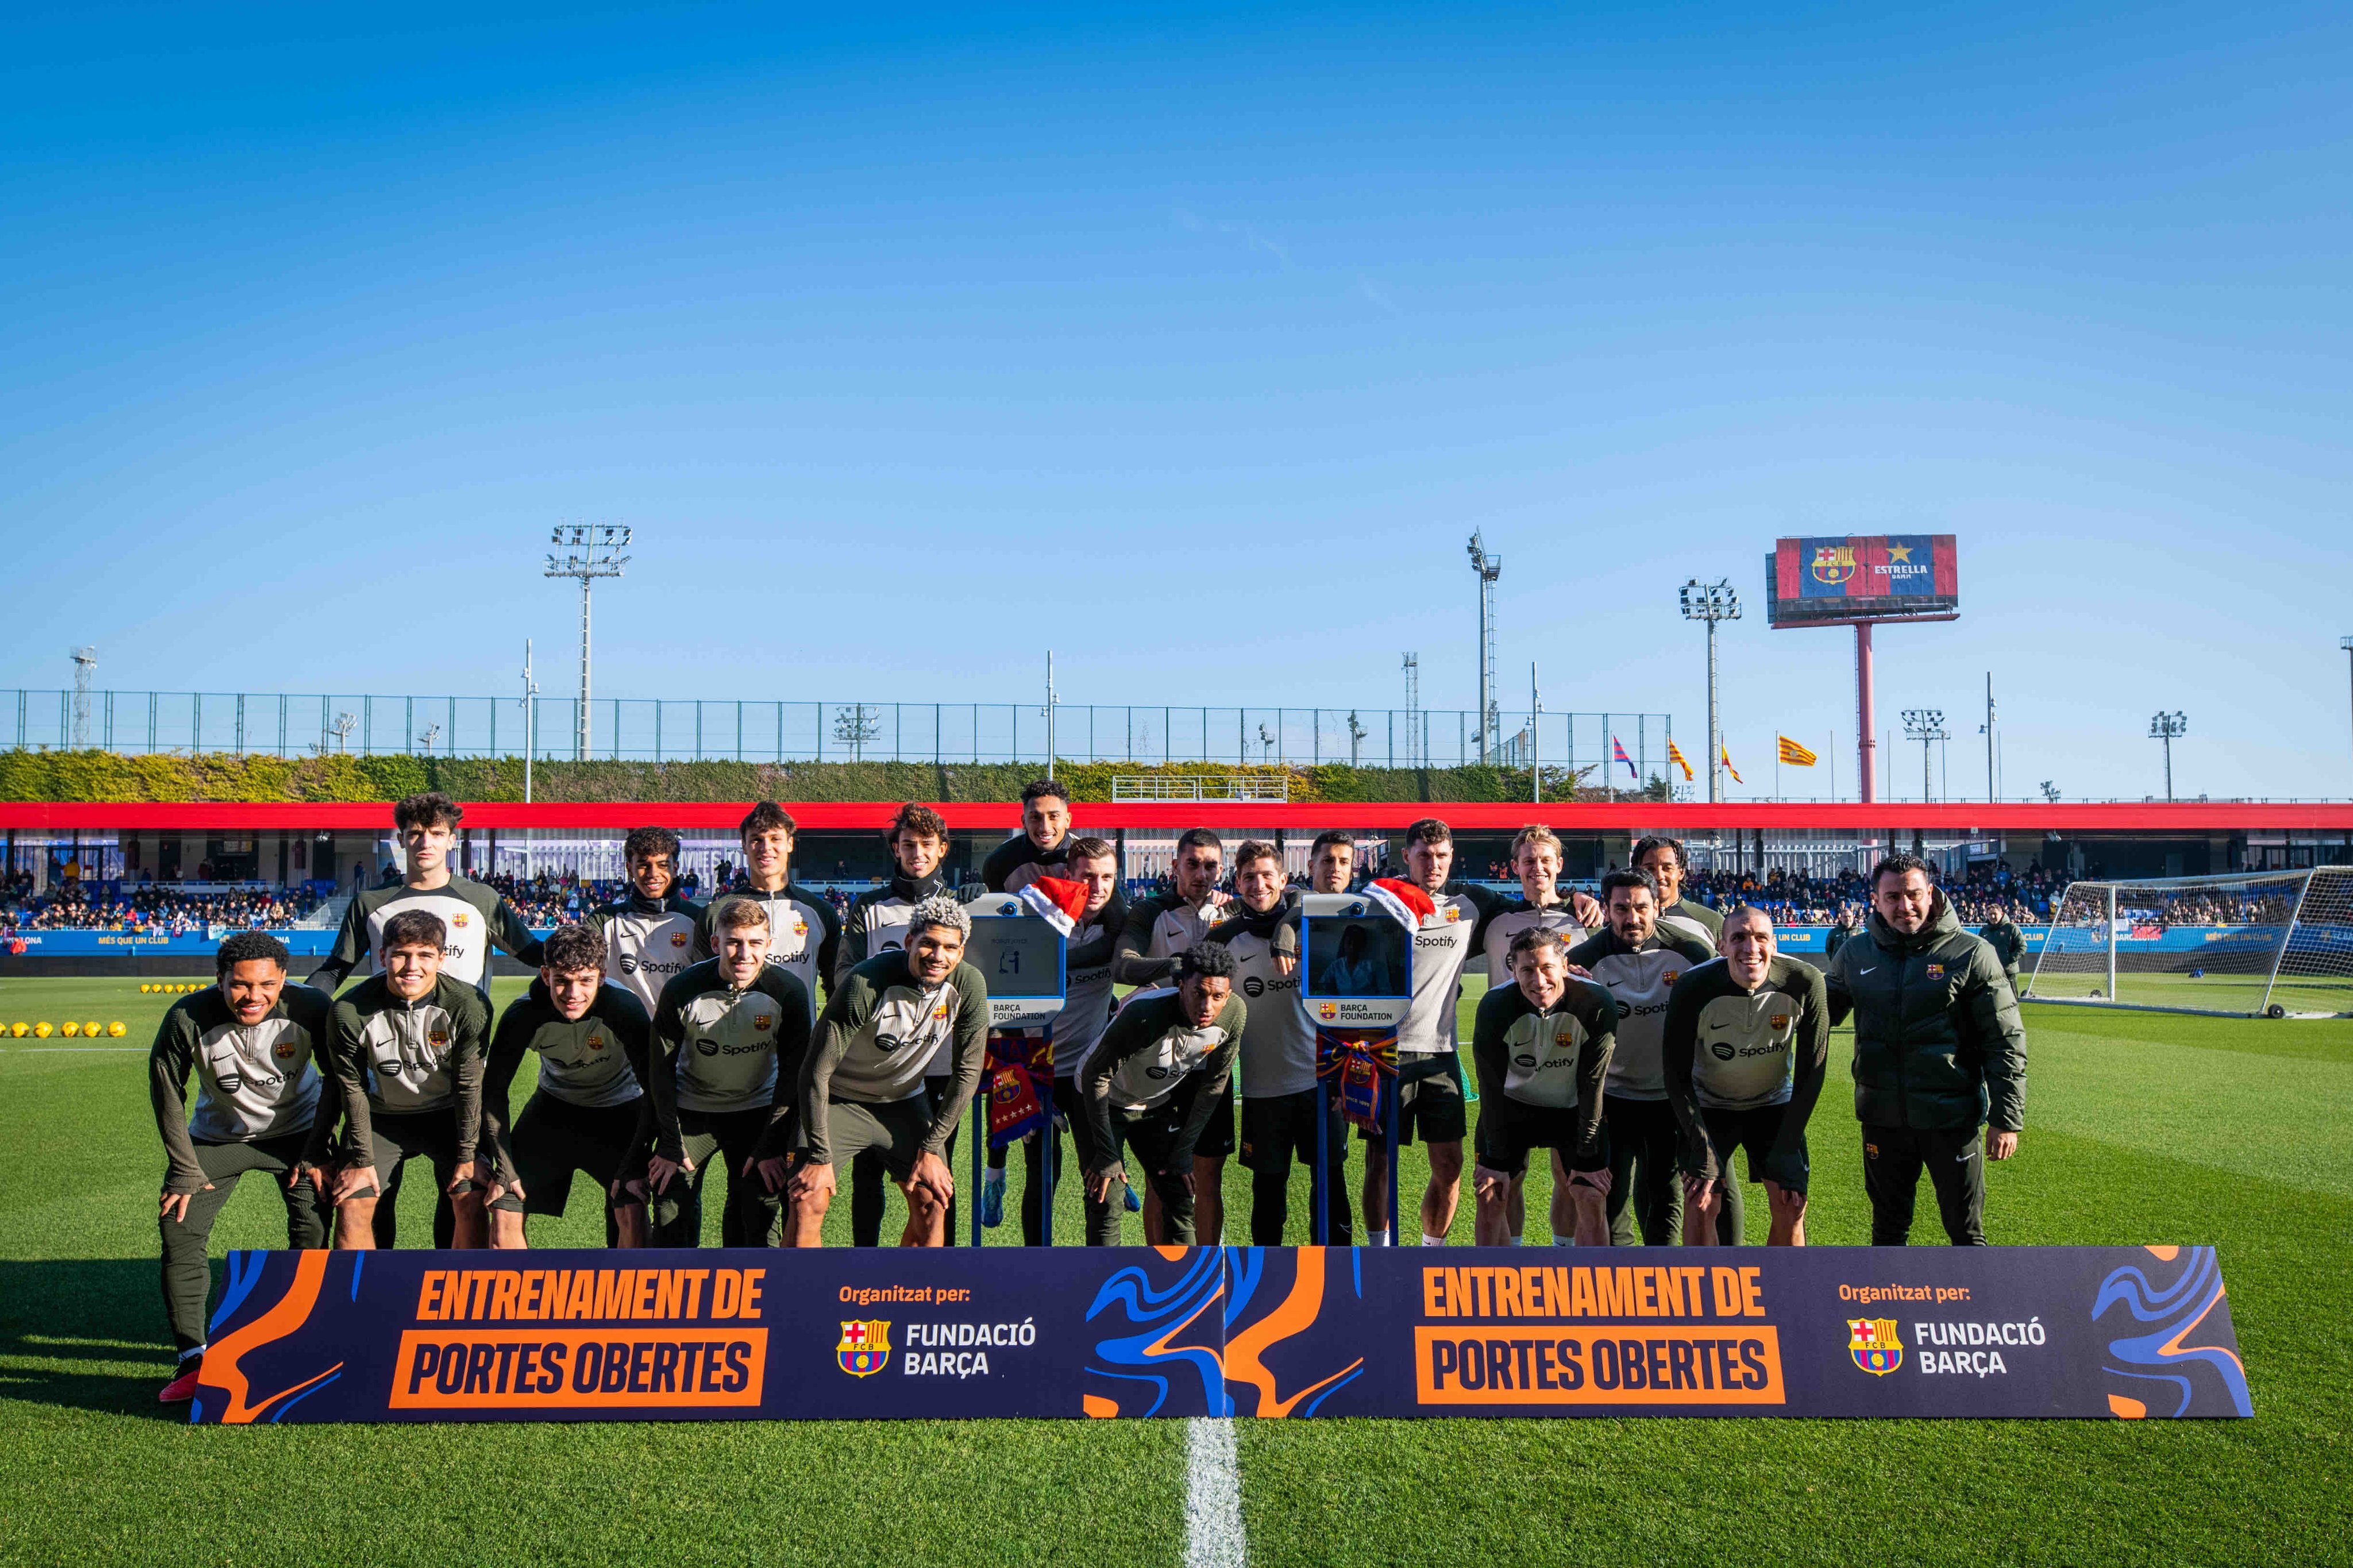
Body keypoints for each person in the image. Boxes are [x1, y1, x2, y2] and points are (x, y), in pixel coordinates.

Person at [308, 792, 545, 1249]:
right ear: (400, 839)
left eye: (436, 834)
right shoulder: (372, 902)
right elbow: (336, 968)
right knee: (371, 1200)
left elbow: (532, 952)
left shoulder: (480, 899)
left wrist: (588, 969)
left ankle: (448, 1300)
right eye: (415, 833)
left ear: (451, 840)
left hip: (456, 1075)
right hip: (388, 1072)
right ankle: (374, 1296)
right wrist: (295, 1001)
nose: (425, 843)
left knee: (461, 1196)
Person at [150, 932, 334, 1403]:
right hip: (218, 1138)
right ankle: (193, 1358)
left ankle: (301, 1341)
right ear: (220, 980)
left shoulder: (311, 1007)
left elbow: (341, 1079)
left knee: (312, 1224)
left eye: (266, 985)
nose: (254, 996)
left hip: (297, 1135)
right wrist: (183, 1168)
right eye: (240, 985)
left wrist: (318, 1150)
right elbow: (167, 1088)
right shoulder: (188, 1016)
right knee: (179, 1225)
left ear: (283, 980)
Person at [1824, 855, 2027, 1246]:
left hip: (1950, 1120)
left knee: (1965, 1232)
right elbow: (1820, 1012)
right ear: (1876, 900)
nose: (1905, 906)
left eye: (1914, 894)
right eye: (1893, 896)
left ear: (1930, 894)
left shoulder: (1972, 953)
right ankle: (1889, 1308)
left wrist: (2007, 1118)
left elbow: (2004, 1041)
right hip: (1882, 1118)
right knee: (1887, 1229)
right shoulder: (1856, 954)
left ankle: (1975, 1308)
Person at [789, 895, 987, 1248]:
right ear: (910, 941)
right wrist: (819, 1156)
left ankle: (911, 1297)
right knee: (808, 1198)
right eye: (928, 943)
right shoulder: (865, 981)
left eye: (950, 947)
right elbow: (815, 1071)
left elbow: (968, 1074)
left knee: (934, 1202)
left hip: (902, 1102)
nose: (938, 956)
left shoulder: (969, 986)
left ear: (962, 950)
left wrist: (932, 1147)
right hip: (839, 1100)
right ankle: (803, 1299)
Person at [1360, 818, 1507, 1248]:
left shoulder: (1472, 904)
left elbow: (1534, 904)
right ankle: (1378, 1253)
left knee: (1450, 1166)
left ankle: (1430, 1252)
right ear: (1407, 856)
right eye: (1424, 855)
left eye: (1442, 855)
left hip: (1440, 1055)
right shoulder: (1382, 901)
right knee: (1380, 1162)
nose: (1434, 863)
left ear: (1452, 857)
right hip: (1384, 1052)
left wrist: (1577, 899)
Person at [322, 910, 493, 1251]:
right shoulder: (348, 1010)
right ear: (382, 955)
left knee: (471, 1195)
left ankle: (462, 1298)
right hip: (382, 1117)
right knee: (354, 1199)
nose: (411, 965)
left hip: (448, 1115)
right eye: (400, 954)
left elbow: (469, 1087)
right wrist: (361, 1159)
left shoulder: (468, 1006)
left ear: (441, 959)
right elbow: (352, 1089)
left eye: (425, 955)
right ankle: (357, 1297)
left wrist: (468, 1154)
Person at [646, 900, 812, 1248]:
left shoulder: (788, 993)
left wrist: (770, 1144)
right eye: (734, 942)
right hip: (694, 1110)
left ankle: (756, 1295)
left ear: (769, 944)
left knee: (758, 1204)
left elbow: (792, 1075)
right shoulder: (681, 990)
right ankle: (679, 1293)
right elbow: (660, 1070)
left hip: (757, 1111)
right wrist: (672, 1142)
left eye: (754, 943)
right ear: (716, 942)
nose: (744, 954)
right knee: (669, 1203)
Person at [1565, 868, 1716, 1247]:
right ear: (1607, 909)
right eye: (1621, 909)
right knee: (1611, 1195)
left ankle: (1660, 1274)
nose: (1632, 918)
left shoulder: (1691, 952)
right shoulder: (1583, 959)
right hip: (1612, 1098)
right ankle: (1621, 1279)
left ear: (1657, 907)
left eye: (1641, 908)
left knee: (1665, 1192)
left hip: (1670, 1096)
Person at [481, 923, 655, 1250]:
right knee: (504, 1205)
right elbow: (493, 1092)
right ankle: (515, 1297)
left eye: (586, 981)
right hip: (553, 1107)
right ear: (546, 975)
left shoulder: (626, 1009)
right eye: (562, 981)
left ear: (602, 977)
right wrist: (504, 1168)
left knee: (632, 1207)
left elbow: (654, 1089)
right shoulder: (523, 1014)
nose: (573, 995)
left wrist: (636, 1159)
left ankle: (628, 1297)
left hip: (619, 1109)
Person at [1661, 906, 1829, 1246]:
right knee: (1701, 1200)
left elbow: (1813, 1072)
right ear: (1722, 946)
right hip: (1709, 1105)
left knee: (1792, 1204)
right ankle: (1703, 1294)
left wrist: (1787, 1146)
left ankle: (1782, 1293)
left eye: (1760, 938)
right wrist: (1701, 1146)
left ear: (1775, 943)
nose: (1750, 948)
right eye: (1738, 938)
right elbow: (1675, 1073)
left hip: (1772, 1102)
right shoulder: (1693, 987)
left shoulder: (1806, 981)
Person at [1209, 842, 1349, 1245]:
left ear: (1284, 880)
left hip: (1319, 1084)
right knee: (1269, 1195)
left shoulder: (1315, 926)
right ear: (1236, 882)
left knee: (1330, 1186)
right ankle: (1268, 1281)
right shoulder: (1225, 940)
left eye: (1268, 875)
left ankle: (1336, 1274)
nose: (1259, 884)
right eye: (1249, 877)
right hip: (1262, 1089)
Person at [989, 837, 1128, 1241]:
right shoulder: (1038, 924)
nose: (1099, 886)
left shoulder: (1120, 927)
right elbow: (1004, 1007)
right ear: (1068, 876)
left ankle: (1099, 1271)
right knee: (1042, 1175)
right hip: (1040, 1068)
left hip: (1089, 1074)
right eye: (1088, 876)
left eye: (1108, 878)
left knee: (1099, 1174)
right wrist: (1025, 1081)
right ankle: (1038, 1266)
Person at [838, 804, 958, 1245]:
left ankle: (939, 1269)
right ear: (896, 849)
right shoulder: (868, 907)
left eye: (927, 845)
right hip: (876, 1061)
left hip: (938, 1057)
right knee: (867, 1173)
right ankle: (864, 1261)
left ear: (942, 850)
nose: (918, 853)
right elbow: (844, 973)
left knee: (937, 1175)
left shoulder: (960, 905)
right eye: (909, 845)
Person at [1477, 824, 1603, 1242]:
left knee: (1566, 1173)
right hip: (1512, 1071)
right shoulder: (1496, 921)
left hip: (1567, 1070)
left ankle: (1561, 1255)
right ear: (1515, 867)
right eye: (1529, 861)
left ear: (1559, 865)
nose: (1538, 868)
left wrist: (1579, 898)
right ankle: (1513, 1259)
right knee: (1508, 1177)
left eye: (1546, 860)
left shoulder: (1586, 919)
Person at [1077, 943, 1246, 1245]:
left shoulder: (1233, 1015)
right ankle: (1104, 1285)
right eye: (1199, 993)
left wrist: (1185, 1149)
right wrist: (1107, 1152)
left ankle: (1187, 1283)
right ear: (1181, 987)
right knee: (1106, 1195)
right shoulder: (1145, 1014)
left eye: (1217, 997)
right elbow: (1094, 1076)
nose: (1207, 1006)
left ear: (1228, 995)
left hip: (1154, 1103)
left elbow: (1214, 1085)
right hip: (1105, 1097)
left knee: (1179, 1191)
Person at [1112, 827, 1233, 1241]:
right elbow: (1123, 965)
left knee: (1209, 1173)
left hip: (1212, 1055)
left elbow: (1286, 903)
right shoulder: (1151, 911)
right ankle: (1160, 1266)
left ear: (1222, 869)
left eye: (1211, 865)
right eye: (1192, 864)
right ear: (1175, 866)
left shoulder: (1229, 911)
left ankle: (1205, 1269)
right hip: (1161, 1060)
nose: (1202, 873)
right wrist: (1176, 967)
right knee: (1161, 1173)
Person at [1469, 926, 1615, 1246]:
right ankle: (1495, 1288)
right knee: (1492, 1192)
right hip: (1511, 1107)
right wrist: (1495, 1159)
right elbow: (1490, 1089)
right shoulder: (1495, 1006)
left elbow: (1593, 1083)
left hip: (1571, 1108)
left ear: (1564, 966)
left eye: (1548, 968)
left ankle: (1588, 1288)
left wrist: (1588, 1156)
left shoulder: (1595, 1002)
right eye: (1527, 970)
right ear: (1513, 970)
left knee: (1590, 1194)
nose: (1539, 981)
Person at [696, 801, 839, 1034]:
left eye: (775, 839)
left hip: (799, 1043)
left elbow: (834, 986)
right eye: (756, 840)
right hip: (732, 1045)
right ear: (744, 846)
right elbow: (701, 986)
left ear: (790, 844)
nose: (766, 847)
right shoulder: (716, 913)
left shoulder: (820, 912)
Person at [587, 825, 704, 1015]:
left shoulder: (698, 919)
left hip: (680, 1038)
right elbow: (569, 961)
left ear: (675, 868)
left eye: (662, 865)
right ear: (629, 869)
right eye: (643, 865)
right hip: (622, 1036)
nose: (653, 873)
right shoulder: (604, 919)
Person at [982, 778, 1073, 893]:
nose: (1045, 828)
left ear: (1067, 820)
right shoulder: (999, 862)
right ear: (1024, 822)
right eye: (1035, 817)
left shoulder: (1090, 859)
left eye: (1053, 816)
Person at [1633, 835, 1721, 952]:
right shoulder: (1625, 921)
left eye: (1667, 868)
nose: (1659, 876)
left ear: (1681, 873)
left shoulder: (1712, 923)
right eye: (1650, 869)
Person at [1978, 906, 2027, 994]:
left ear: (2002, 914)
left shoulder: (2012, 928)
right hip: (1991, 972)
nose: (1993, 917)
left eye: (1995, 914)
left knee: (2012, 1000)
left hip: (2009, 971)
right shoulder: (1984, 931)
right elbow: (1980, 950)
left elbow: (2023, 947)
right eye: (1990, 915)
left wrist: (2009, 960)